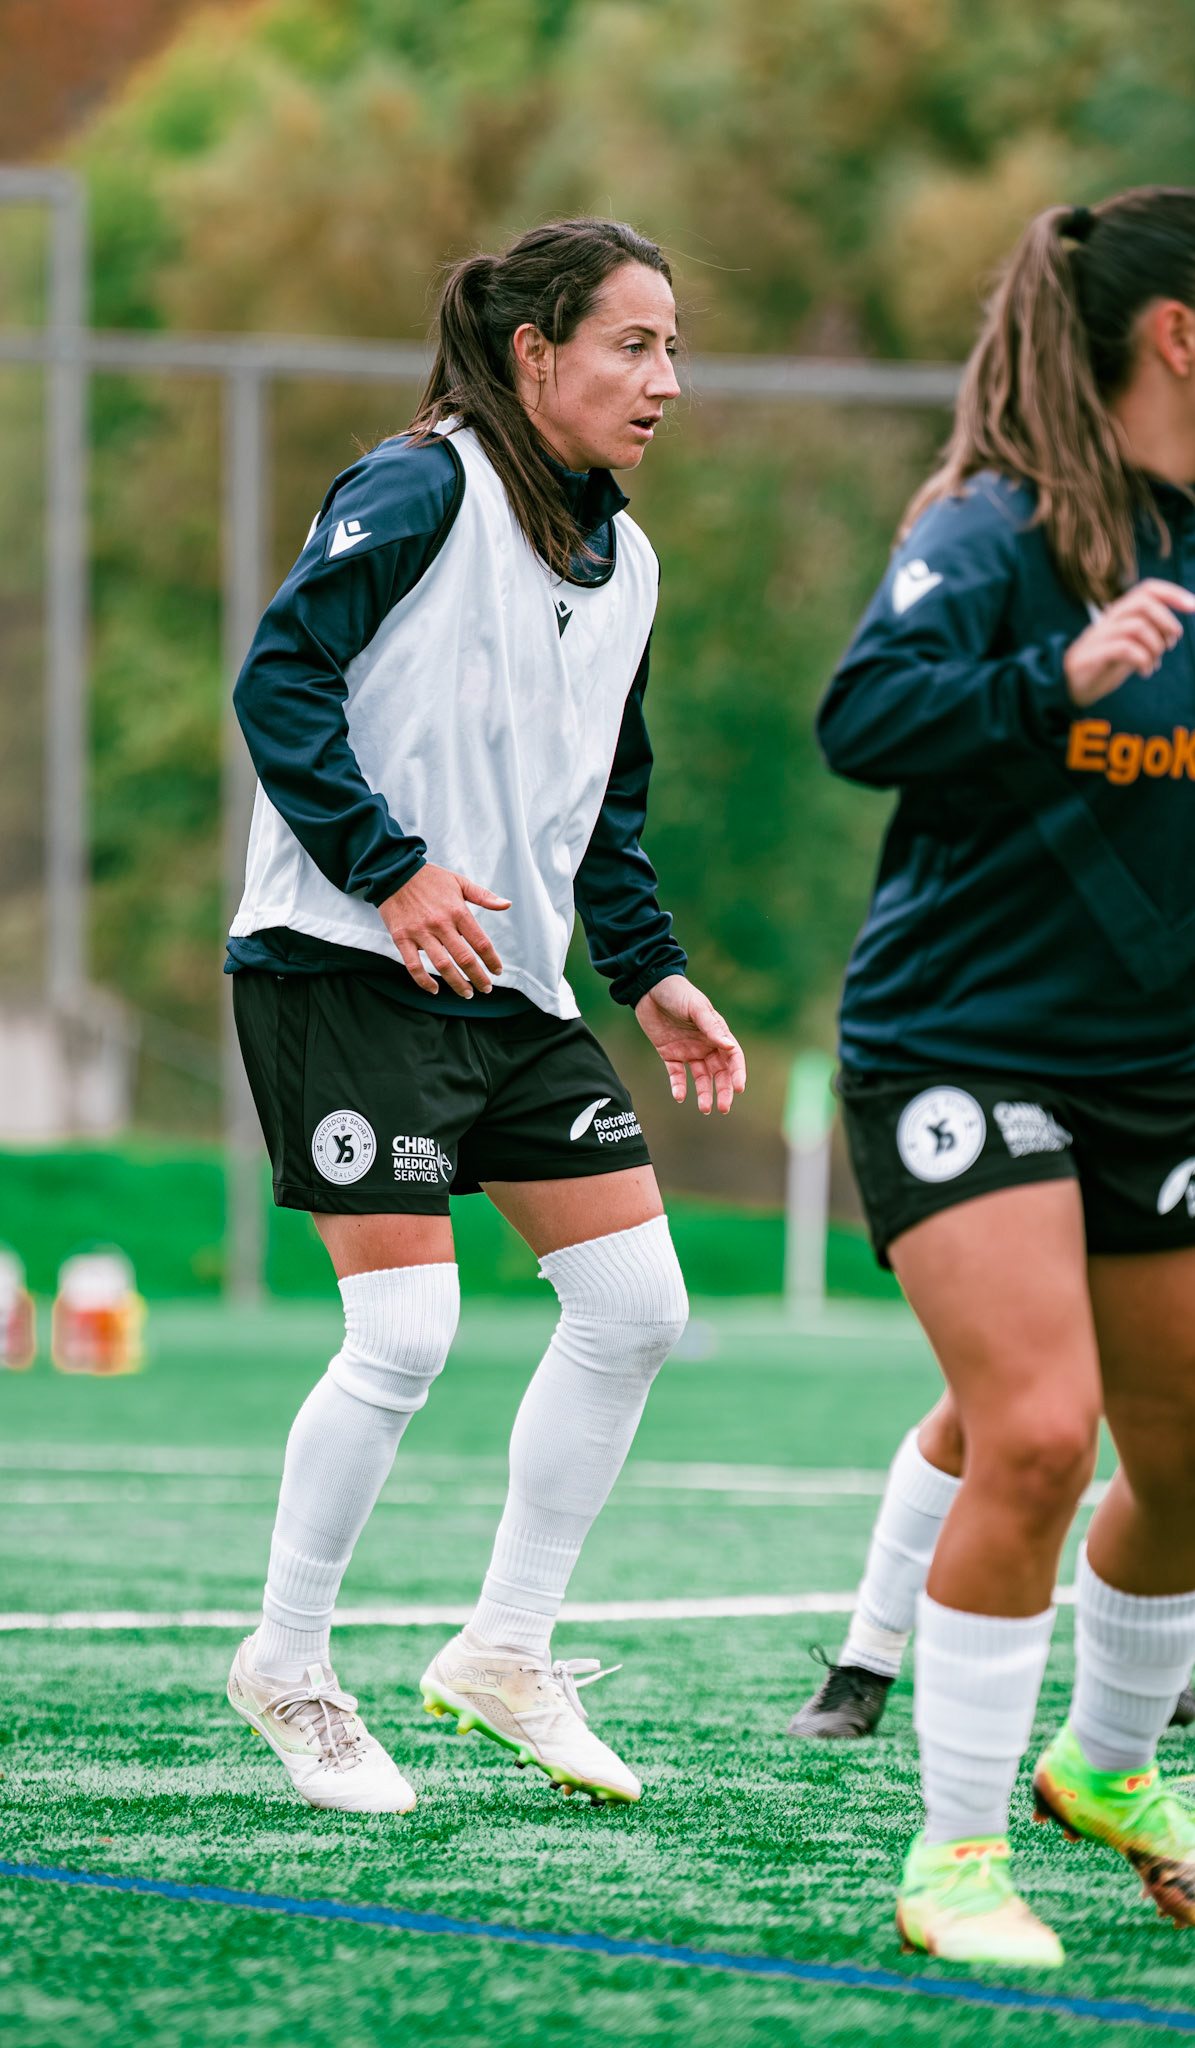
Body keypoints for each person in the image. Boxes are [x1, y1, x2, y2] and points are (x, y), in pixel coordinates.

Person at [812, 186, 1195, 1967]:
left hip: (1151, 1068)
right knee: (1040, 1432)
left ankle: (1108, 1770)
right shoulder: (995, 527)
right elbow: (863, 718)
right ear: (1175, 334)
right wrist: (1052, 678)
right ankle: (952, 1853)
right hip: (957, 1044)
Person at [222, 218, 745, 1816]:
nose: (666, 378)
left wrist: (648, 969)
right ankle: (289, 1666)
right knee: (406, 1334)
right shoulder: (421, 486)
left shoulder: (628, 558)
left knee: (638, 1309)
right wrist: (391, 874)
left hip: (509, 991)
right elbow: (278, 681)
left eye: (672, 346)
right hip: (343, 964)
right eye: (633, 344)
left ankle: (505, 1650)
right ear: (535, 354)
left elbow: (609, 801)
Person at [790, 533, 1195, 1737]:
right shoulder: (1113, 740)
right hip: (1121, 1109)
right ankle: (866, 1653)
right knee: (1012, 1413)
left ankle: (1137, 1591)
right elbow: (870, 726)